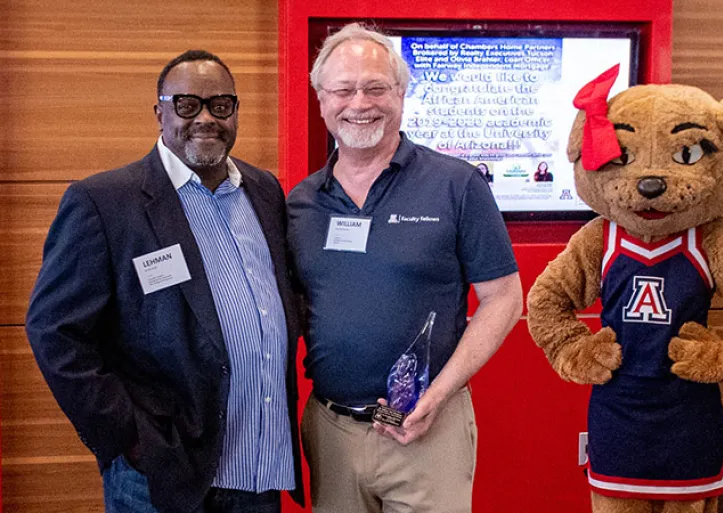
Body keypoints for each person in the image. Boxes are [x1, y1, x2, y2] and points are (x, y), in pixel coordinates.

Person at [25, 50, 304, 513]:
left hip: (260, 472)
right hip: (163, 478)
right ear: (160, 112)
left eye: (221, 105)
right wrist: (129, 438)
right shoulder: (105, 202)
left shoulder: (264, 190)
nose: (206, 118)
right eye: (187, 104)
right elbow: (55, 331)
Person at [287, 23, 523, 513]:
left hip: (427, 432)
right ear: (322, 99)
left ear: (401, 93)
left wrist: (437, 394)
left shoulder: (457, 185)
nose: (360, 102)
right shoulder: (300, 203)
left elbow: (503, 298)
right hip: (330, 433)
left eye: (376, 87)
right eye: (344, 89)